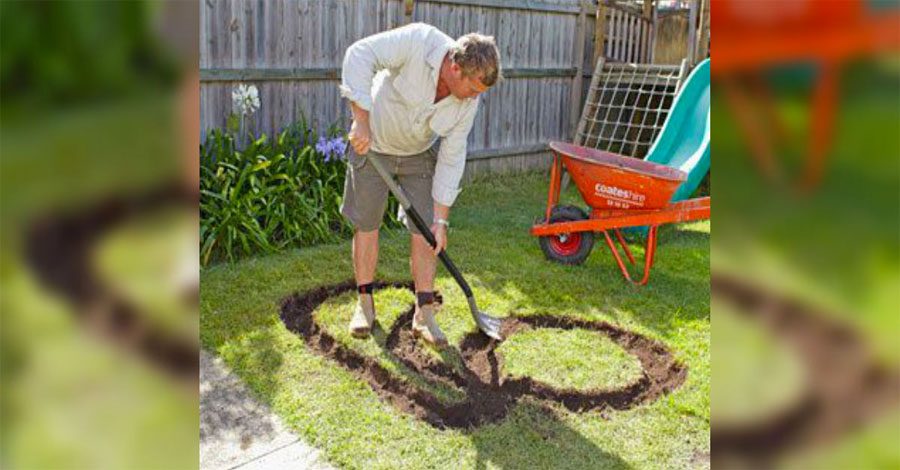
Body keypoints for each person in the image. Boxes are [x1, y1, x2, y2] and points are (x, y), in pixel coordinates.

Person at [338, 22, 501, 347]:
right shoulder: (418, 41)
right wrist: (361, 120)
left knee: (427, 231)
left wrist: (441, 221)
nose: (474, 98)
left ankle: (423, 314)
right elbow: (359, 54)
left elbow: (452, 157)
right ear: (455, 68)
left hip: (417, 154)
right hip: (373, 147)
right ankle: (365, 305)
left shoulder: (468, 103)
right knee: (367, 225)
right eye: (473, 89)